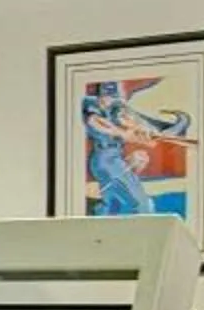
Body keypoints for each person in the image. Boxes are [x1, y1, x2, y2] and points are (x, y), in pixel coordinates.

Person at [80, 84, 196, 217]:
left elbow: (131, 122)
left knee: (111, 206)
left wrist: (146, 132)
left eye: (114, 97)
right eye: (108, 96)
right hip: (106, 159)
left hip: (112, 158)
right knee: (142, 205)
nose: (111, 101)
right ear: (101, 96)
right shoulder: (92, 108)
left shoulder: (116, 110)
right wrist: (125, 134)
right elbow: (96, 123)